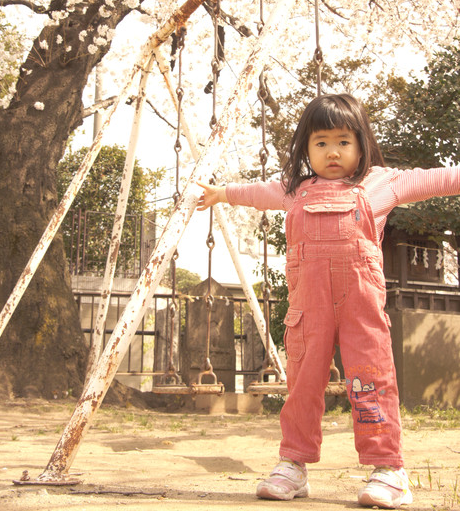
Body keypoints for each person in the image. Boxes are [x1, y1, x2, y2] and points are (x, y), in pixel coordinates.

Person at [197, 93, 460, 509]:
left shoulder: (382, 183)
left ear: (361, 145)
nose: (332, 152)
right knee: (302, 384)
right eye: (320, 143)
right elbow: (256, 192)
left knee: (371, 379)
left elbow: (440, 179)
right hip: (308, 310)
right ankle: (293, 464)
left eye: (343, 141)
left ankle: (388, 469)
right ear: (306, 148)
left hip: (362, 309)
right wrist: (222, 193)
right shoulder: (293, 190)